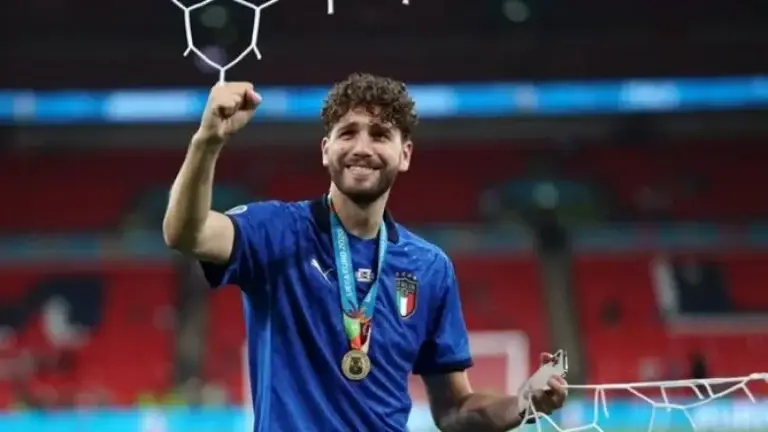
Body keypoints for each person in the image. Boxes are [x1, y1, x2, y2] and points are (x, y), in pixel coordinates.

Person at [163, 73, 568, 431]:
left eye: (379, 134)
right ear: (326, 149)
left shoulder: (429, 267)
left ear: (404, 154)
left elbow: (454, 410)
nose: (361, 147)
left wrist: (522, 403)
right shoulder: (275, 231)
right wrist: (208, 141)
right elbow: (186, 233)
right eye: (348, 133)